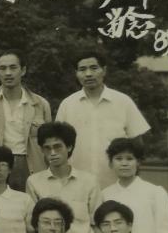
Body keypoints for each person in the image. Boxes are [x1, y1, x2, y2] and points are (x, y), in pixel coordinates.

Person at [56, 50, 150, 188]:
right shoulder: (67, 105)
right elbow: (58, 147)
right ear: (76, 73)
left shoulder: (123, 102)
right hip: (76, 185)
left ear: (104, 70)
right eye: (82, 69)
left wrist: (132, 180)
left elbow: (137, 145)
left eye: (94, 68)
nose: (88, 74)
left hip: (116, 184)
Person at [0, 52, 52, 191]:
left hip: (33, 166)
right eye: (3, 68)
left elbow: (49, 143)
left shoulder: (40, 104)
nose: (8, 73)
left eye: (13, 67)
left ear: (23, 70)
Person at [26, 122, 102, 233]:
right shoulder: (34, 182)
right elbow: (32, 226)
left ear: (69, 147)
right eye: (47, 148)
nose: (52, 153)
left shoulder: (89, 181)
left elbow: (97, 224)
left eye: (58, 147)